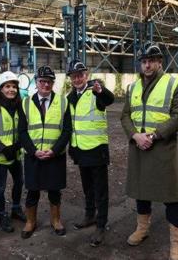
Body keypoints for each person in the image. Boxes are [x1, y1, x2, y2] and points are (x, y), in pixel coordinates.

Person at [120, 42, 178, 260]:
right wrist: (135, 135)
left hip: (162, 148)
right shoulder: (133, 87)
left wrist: (154, 135)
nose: (147, 65)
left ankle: (177, 244)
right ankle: (143, 229)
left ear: (160, 62)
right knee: (141, 192)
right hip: (139, 147)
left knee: (171, 196)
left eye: (152, 61)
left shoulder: (174, 84)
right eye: (144, 61)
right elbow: (125, 116)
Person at [18, 65, 72, 239]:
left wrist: (55, 150)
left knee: (54, 191)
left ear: (53, 83)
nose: (46, 85)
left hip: (54, 156)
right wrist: (33, 151)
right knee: (32, 190)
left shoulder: (63, 102)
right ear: (36, 82)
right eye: (42, 81)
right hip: (34, 156)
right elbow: (22, 132)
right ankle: (30, 222)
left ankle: (56, 221)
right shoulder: (25, 103)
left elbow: (67, 131)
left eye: (49, 82)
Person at [66, 60, 114, 247]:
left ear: (86, 75)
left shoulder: (95, 91)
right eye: (74, 76)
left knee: (101, 190)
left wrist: (100, 90)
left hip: (97, 150)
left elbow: (108, 100)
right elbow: (71, 124)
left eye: (80, 75)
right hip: (81, 150)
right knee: (87, 187)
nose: (77, 78)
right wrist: (72, 147)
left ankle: (101, 226)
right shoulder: (70, 97)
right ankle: (89, 215)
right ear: (71, 78)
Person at [0, 71, 26, 233]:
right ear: (1, 89)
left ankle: (16, 209)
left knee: (19, 182)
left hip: (15, 153)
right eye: (8, 86)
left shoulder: (19, 107)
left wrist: (16, 147)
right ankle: (2, 216)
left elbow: (23, 129)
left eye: (14, 87)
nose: (11, 90)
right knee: (1, 187)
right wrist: (3, 149)